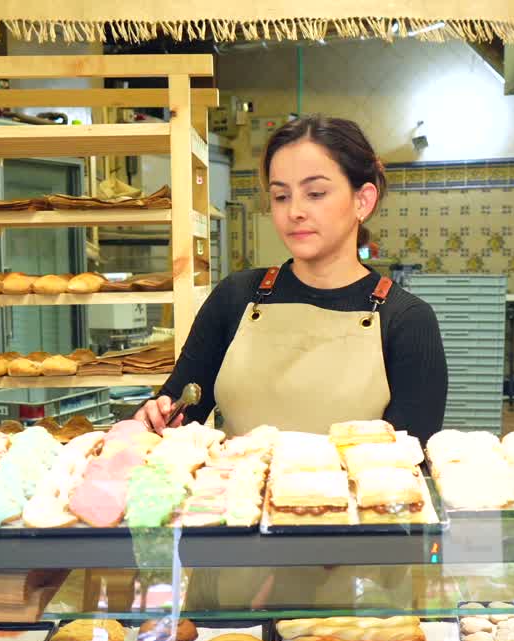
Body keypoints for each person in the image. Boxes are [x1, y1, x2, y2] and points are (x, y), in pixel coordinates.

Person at [138, 115, 447, 442]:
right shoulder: (236, 297)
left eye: (315, 193)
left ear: (362, 200)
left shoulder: (406, 320)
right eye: (281, 196)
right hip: (237, 491)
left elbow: (409, 467)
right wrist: (156, 418)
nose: (294, 211)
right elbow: (176, 413)